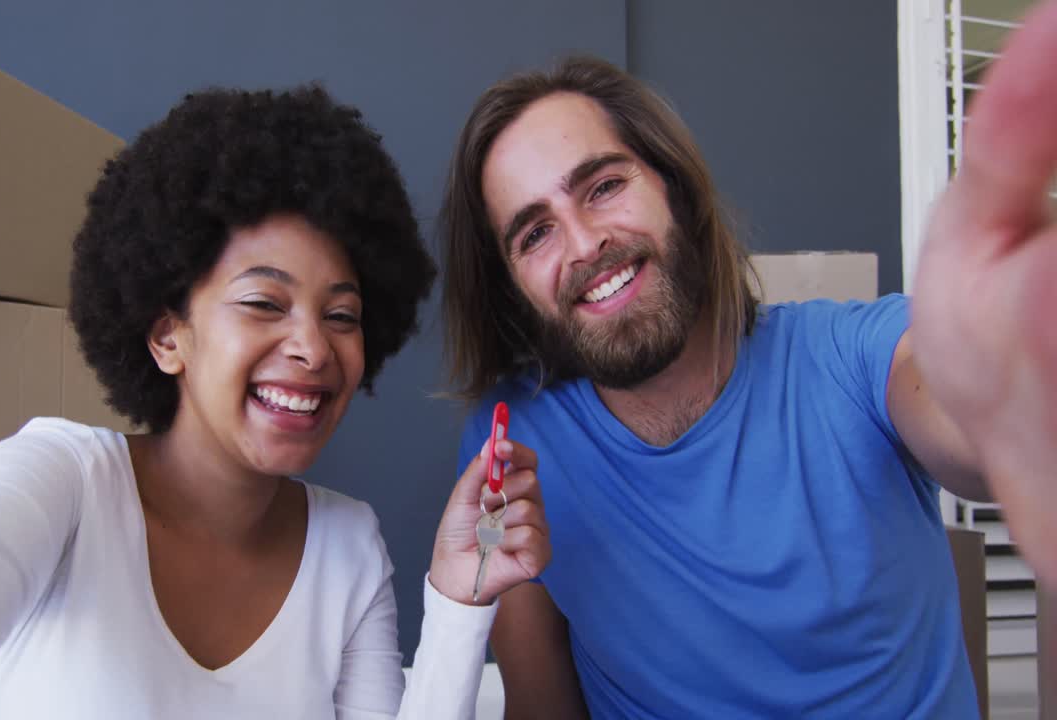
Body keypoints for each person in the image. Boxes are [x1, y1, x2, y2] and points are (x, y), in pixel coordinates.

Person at [0, 85, 550, 719]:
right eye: (263, 303)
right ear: (165, 336)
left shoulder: (347, 545)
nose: (313, 348)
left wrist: (456, 597)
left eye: (341, 315)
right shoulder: (65, 479)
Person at [438, 0, 1057, 717]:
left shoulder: (858, 356)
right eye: (534, 233)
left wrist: (1011, 385)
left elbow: (963, 410)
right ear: (514, 288)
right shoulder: (514, 444)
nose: (583, 245)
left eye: (604, 187)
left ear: (675, 187)